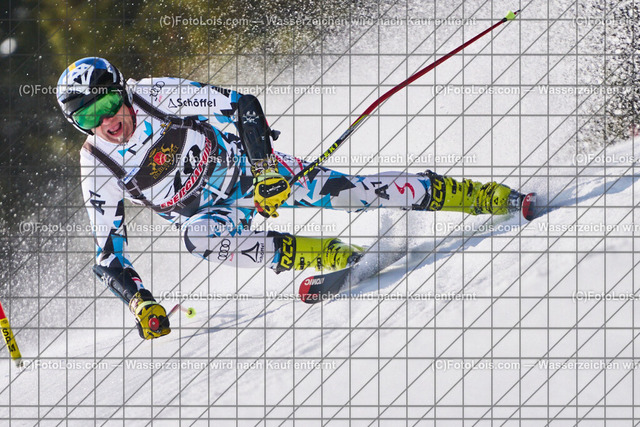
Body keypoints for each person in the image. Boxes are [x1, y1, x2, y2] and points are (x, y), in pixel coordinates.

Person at [57, 57, 528, 340]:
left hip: (253, 171)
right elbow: (107, 255)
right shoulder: (97, 164)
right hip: (216, 214)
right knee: (198, 239)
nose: (107, 123)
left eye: (107, 105)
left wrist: (265, 171)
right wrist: (141, 303)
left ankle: (477, 196)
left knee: (355, 194)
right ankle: (330, 255)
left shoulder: (156, 95)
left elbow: (241, 105)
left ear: (121, 91)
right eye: (89, 119)